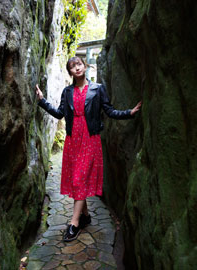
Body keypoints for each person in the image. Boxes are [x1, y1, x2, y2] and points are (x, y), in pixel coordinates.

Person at [35, 56, 142, 242]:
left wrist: (129, 113)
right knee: (78, 178)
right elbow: (60, 113)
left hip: (90, 138)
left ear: (84, 66)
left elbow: (109, 111)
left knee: (79, 178)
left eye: (78, 64)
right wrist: (42, 101)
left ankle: (74, 223)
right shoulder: (67, 91)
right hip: (72, 139)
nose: (76, 68)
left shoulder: (97, 89)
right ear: (70, 72)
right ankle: (85, 216)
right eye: (72, 67)